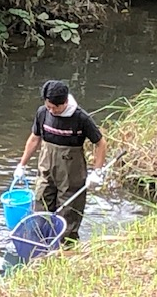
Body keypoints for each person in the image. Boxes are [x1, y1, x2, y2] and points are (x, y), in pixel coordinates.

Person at [13, 80, 107, 243]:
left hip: (71, 177)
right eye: (48, 106)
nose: (51, 110)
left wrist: (96, 172)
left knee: (68, 216)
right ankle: (40, 248)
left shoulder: (80, 118)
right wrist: (21, 165)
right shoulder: (42, 113)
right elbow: (34, 139)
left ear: (64, 102)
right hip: (47, 172)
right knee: (40, 209)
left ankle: (66, 251)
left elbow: (101, 143)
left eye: (55, 108)